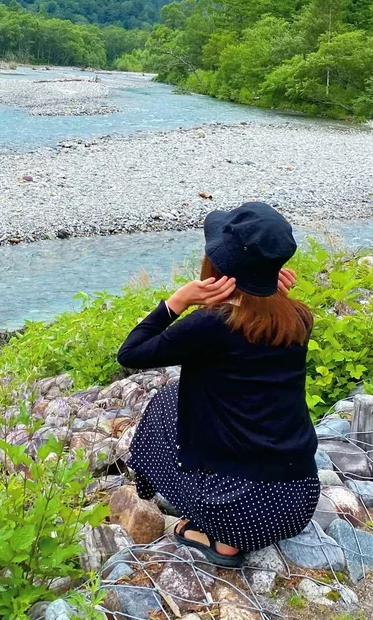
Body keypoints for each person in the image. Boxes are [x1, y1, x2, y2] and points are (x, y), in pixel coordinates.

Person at [117, 201, 320, 566]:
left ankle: (220, 539)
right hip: (299, 500)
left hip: (238, 511)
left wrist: (177, 301)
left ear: (220, 264)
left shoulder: (212, 324)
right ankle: (221, 522)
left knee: (165, 401)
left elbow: (131, 353)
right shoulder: (298, 316)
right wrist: (269, 294)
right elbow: (256, 340)